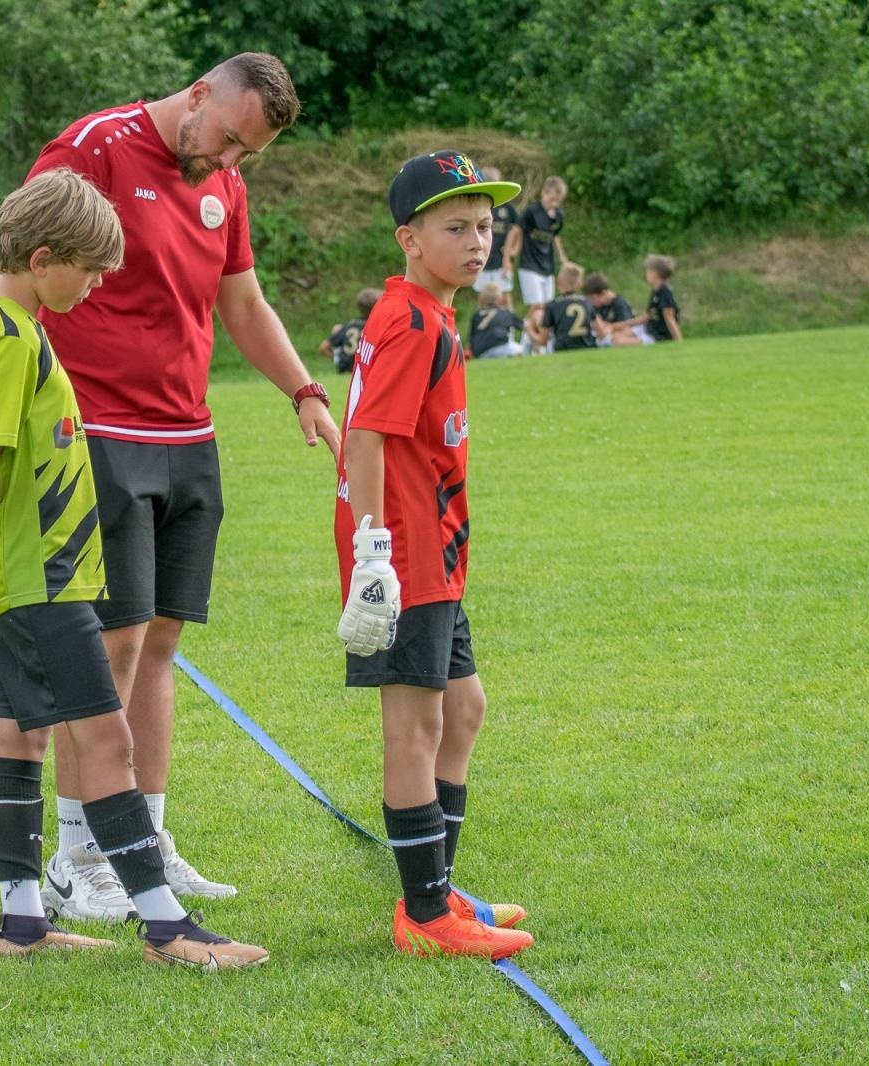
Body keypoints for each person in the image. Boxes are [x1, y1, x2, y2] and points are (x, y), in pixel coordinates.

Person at [23, 53, 339, 922]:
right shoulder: (92, 149)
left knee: (160, 644)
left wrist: (305, 392)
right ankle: (79, 856)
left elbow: (243, 304)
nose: (231, 163)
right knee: (111, 647)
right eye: (229, 139)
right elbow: (15, 278)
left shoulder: (223, 185)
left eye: (249, 154)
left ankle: (146, 840)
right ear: (198, 95)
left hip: (186, 435)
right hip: (94, 433)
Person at [0, 167, 267, 969]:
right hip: (41, 577)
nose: (98, 285)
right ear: (44, 258)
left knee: (20, 734)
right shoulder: (14, 340)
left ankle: (22, 924)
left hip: (2, 579)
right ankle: (167, 928)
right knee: (107, 740)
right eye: (91, 270)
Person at [334, 149, 535, 960]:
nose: (476, 241)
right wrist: (375, 547)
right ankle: (423, 916)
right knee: (413, 726)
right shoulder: (410, 319)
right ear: (409, 239)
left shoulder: (432, 313)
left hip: (437, 552)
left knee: (464, 707)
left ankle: (437, 884)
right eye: (455, 227)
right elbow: (367, 436)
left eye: (485, 227)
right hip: (405, 556)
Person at [505, 175, 568, 336]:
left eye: (557, 201)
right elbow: (515, 231)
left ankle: (536, 341)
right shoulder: (532, 211)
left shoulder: (559, 216)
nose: (553, 203)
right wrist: (507, 258)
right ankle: (527, 335)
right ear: (544, 193)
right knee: (537, 305)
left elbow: (555, 237)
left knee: (546, 308)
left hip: (547, 266)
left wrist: (563, 259)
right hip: (529, 265)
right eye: (551, 198)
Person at [469, 167, 519, 309]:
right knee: (483, 296)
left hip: (503, 261)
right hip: (482, 259)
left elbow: (517, 228)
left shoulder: (507, 207)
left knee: (505, 295)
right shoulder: (478, 206)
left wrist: (511, 252)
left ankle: (508, 328)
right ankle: (482, 327)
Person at [525, 261, 597, 353]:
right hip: (588, 349)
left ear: (559, 281)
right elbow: (599, 329)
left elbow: (542, 341)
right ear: (579, 284)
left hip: (563, 350)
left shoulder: (552, 305)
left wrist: (529, 329)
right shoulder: (587, 302)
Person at [619, 254, 684, 343]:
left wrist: (679, 341)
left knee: (618, 342)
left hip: (659, 336)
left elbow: (669, 317)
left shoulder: (665, 292)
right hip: (650, 330)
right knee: (616, 336)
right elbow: (648, 315)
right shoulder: (656, 291)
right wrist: (621, 324)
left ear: (654, 274)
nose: (646, 274)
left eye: (647, 271)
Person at [319, 287, 382, 373]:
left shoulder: (352, 324)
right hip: (363, 366)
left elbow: (323, 347)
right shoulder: (377, 326)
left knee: (337, 328)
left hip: (344, 367)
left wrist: (337, 359)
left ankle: (340, 358)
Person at [583, 271, 649, 347]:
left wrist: (608, 327)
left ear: (603, 293)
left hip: (622, 335)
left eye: (593, 299)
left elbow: (626, 325)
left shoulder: (620, 304)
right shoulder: (596, 307)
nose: (591, 302)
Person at [468, 284, 525, 359]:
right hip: (502, 347)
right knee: (522, 350)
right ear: (500, 298)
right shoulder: (504, 312)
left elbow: (471, 338)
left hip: (481, 353)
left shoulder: (476, 315)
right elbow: (524, 326)